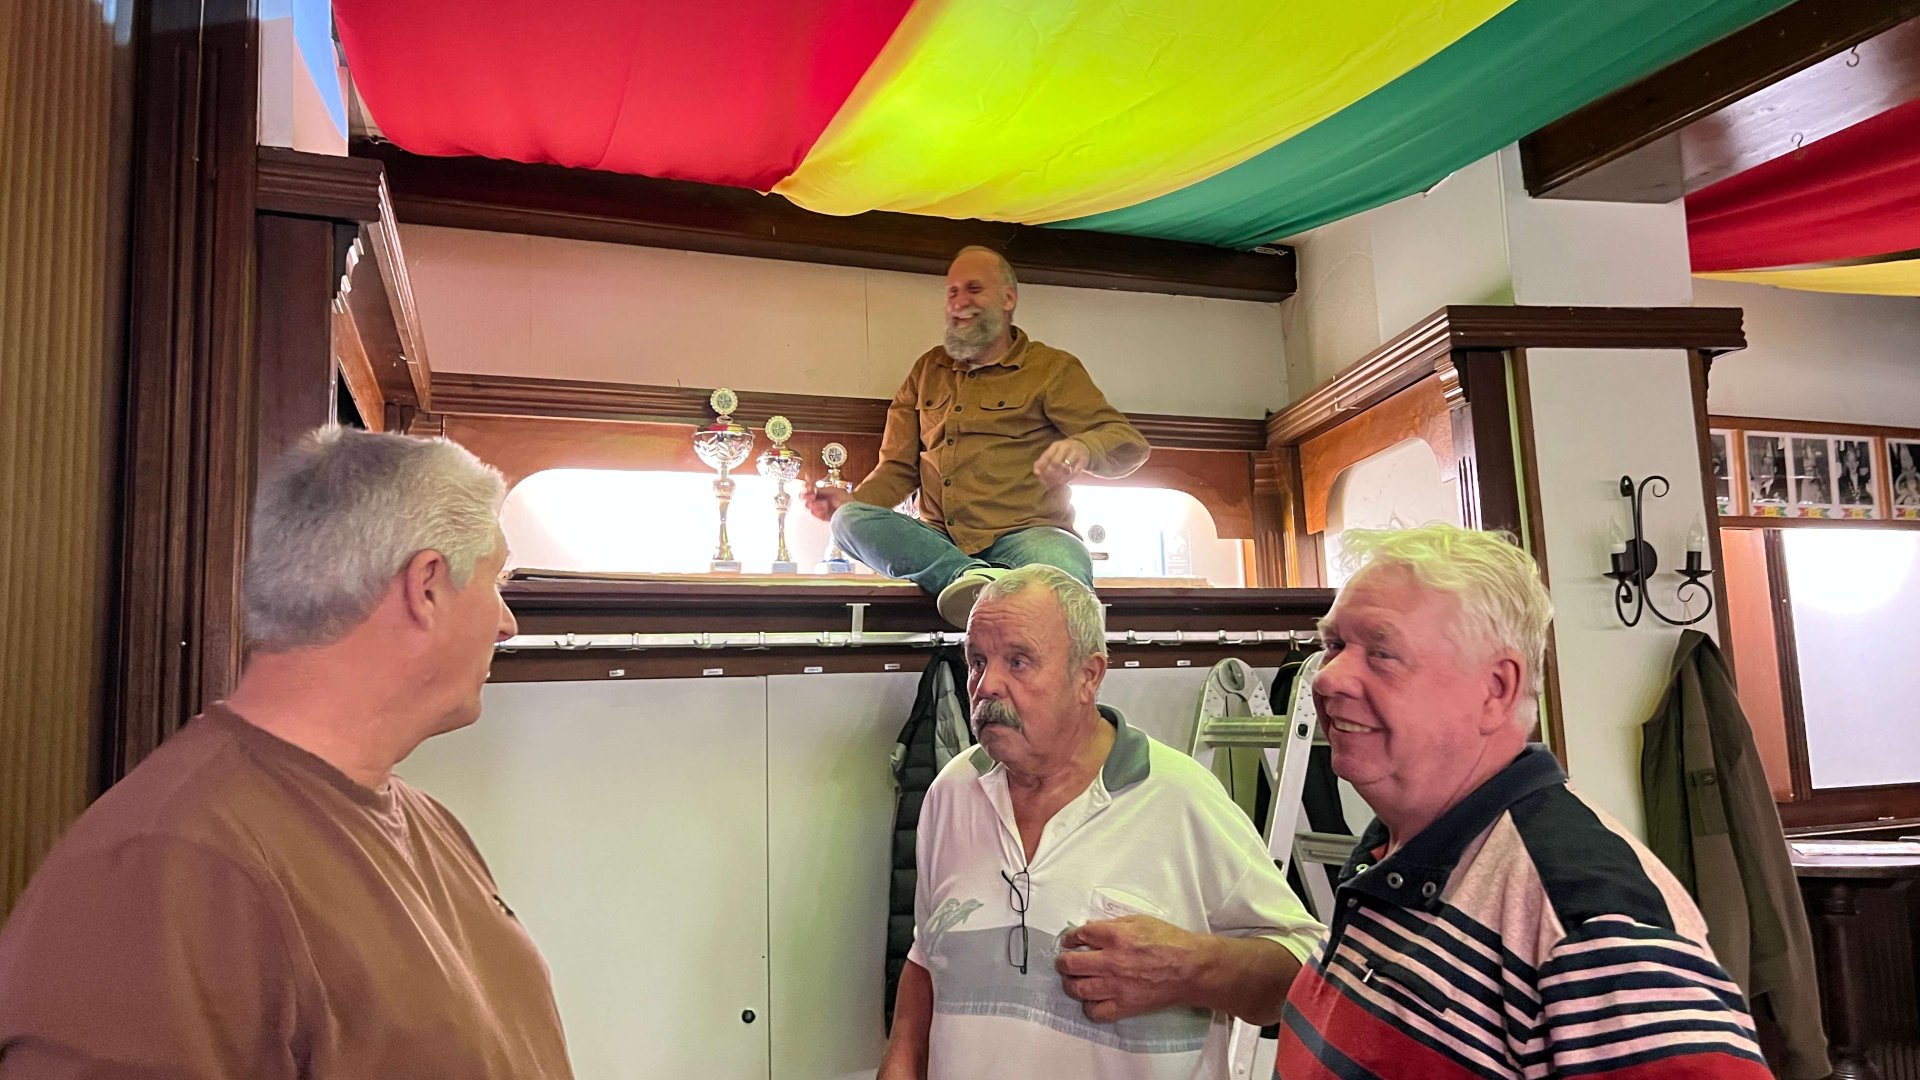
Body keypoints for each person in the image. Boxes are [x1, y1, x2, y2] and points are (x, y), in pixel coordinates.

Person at [0, 428, 574, 1079]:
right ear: (427, 586)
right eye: (496, 580)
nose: (506, 623)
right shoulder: (174, 861)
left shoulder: (431, 824)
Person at [1276, 523, 1773, 1080]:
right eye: (1334, 646)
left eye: (1383, 653)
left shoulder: (1588, 923)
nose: (1328, 679)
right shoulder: (1394, 850)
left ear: (1497, 688)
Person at [880, 565, 1322, 1080]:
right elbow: (928, 955)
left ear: (1088, 676)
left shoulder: (1177, 796)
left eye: (1018, 662)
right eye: (977, 661)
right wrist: (899, 1066)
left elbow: (1306, 973)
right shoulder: (952, 791)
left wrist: (1190, 969)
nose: (986, 686)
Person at [806, 246, 1150, 627]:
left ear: (1008, 298)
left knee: (1066, 579)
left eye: (974, 289)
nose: (959, 303)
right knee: (848, 520)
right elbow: (897, 469)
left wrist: (1084, 447)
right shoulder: (927, 370)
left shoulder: (1052, 369)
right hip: (940, 544)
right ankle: (968, 578)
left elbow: (1129, 443)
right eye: (952, 292)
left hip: (1032, 537)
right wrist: (854, 500)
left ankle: (982, 590)